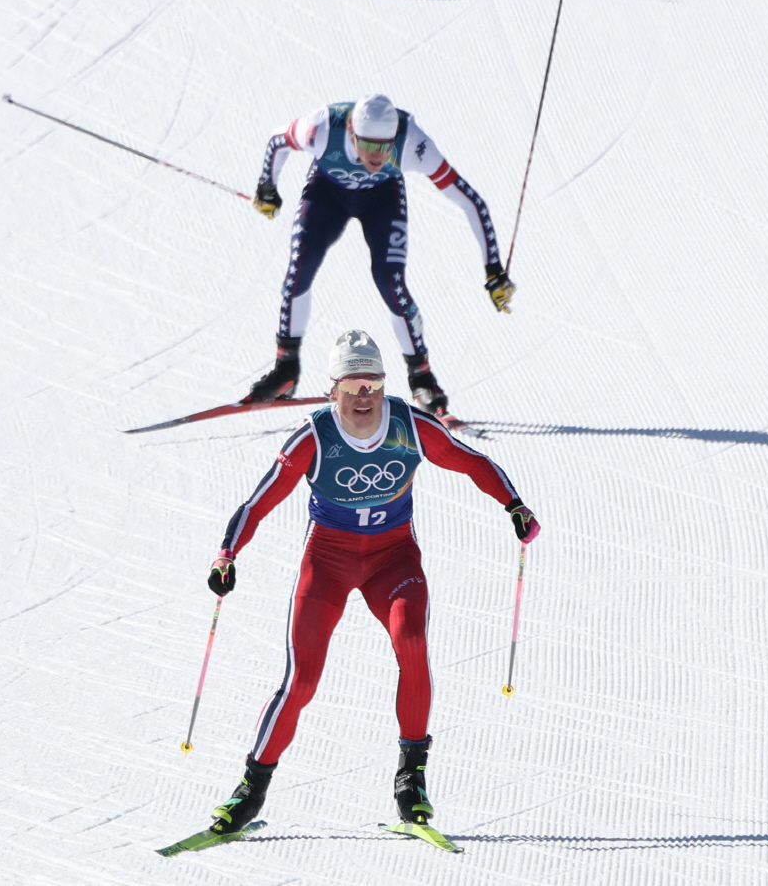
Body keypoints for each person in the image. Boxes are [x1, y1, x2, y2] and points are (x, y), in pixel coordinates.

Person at [201, 330, 539, 838]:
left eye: (374, 384)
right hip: (328, 562)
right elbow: (258, 502)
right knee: (302, 680)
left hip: (393, 558)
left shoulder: (408, 424)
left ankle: (411, 781)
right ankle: (250, 790)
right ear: (333, 389)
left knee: (414, 648)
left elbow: (471, 461)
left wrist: (513, 503)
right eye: (353, 385)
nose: (364, 397)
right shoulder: (313, 436)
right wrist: (227, 554)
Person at [245, 94, 515, 415]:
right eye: (369, 145)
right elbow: (278, 140)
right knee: (298, 270)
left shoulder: (412, 142)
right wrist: (267, 187)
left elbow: (471, 202)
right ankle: (286, 369)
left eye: (385, 146)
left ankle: (422, 378)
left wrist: (494, 269)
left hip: (382, 200)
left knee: (390, 283)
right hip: (327, 193)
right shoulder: (322, 127)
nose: (377, 156)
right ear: (350, 130)